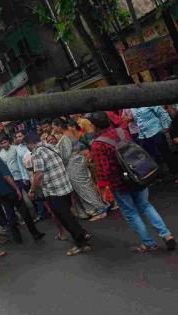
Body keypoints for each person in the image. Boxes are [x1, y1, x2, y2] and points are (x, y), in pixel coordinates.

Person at [89, 111, 176, 253]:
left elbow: (103, 170)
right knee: (146, 205)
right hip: (138, 175)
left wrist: (102, 189)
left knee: (131, 213)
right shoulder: (122, 132)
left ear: (95, 126)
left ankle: (149, 244)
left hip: (119, 183)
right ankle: (167, 235)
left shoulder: (98, 144)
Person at [25, 133, 92, 256]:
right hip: (65, 187)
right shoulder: (50, 147)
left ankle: (81, 244)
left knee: (65, 218)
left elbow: (38, 174)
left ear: (29, 144)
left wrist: (32, 190)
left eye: (27, 145)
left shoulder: (37, 153)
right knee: (69, 215)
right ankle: (83, 233)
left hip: (54, 191)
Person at [0, 142, 45, 244]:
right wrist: (16, 189)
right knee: (24, 212)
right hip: (10, 191)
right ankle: (35, 233)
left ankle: (17, 238)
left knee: (10, 214)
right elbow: (7, 176)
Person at [52, 118, 109, 221]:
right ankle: (90, 210)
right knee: (83, 187)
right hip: (78, 162)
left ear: (59, 126)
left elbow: (65, 156)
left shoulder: (65, 138)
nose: (53, 129)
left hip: (73, 165)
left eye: (54, 127)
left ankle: (99, 209)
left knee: (83, 188)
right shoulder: (70, 133)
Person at [131, 106, 178, 177]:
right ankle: (162, 176)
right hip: (145, 136)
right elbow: (139, 122)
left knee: (166, 154)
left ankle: (175, 173)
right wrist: (141, 136)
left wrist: (166, 126)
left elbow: (162, 113)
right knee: (153, 157)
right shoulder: (132, 108)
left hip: (156, 131)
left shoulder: (148, 102)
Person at [14, 131, 47, 221]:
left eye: (20, 136)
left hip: (40, 171)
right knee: (36, 194)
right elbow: (20, 164)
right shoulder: (18, 149)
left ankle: (49, 210)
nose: (19, 138)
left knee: (44, 190)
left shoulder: (34, 145)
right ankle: (41, 213)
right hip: (29, 174)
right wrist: (24, 176)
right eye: (17, 137)